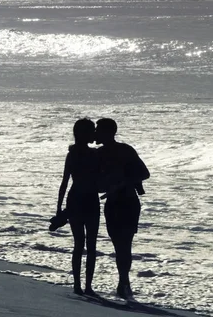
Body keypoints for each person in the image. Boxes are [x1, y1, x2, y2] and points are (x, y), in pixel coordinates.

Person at [95, 118, 150, 300]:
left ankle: (124, 283)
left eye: (98, 130)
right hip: (117, 202)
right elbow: (98, 185)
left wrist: (120, 183)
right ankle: (124, 283)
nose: (96, 133)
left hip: (125, 202)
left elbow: (144, 173)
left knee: (123, 245)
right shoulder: (107, 152)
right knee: (121, 245)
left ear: (108, 132)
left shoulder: (118, 151)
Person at [55, 118, 100, 296]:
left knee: (79, 244)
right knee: (90, 245)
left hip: (74, 199)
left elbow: (65, 182)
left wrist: (59, 208)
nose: (94, 134)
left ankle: (77, 285)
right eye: (92, 131)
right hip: (90, 200)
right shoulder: (94, 154)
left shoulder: (72, 154)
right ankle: (87, 286)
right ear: (84, 133)